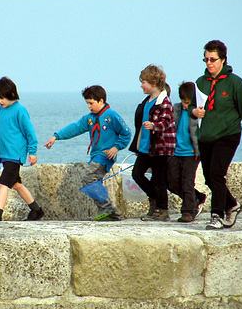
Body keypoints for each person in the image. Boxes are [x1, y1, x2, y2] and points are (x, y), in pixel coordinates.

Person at [188, 40, 242, 230]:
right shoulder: (200, 82)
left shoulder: (234, 83)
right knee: (208, 176)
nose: (209, 63)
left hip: (228, 135)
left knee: (217, 174)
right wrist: (195, 112)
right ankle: (232, 205)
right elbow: (191, 107)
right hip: (206, 136)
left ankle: (217, 216)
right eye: (205, 59)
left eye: (213, 59)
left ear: (223, 60)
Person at [44, 85, 132, 221]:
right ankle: (112, 213)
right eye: (87, 104)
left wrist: (116, 147)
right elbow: (76, 128)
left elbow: (126, 133)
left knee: (88, 178)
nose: (89, 107)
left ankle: (108, 209)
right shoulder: (89, 118)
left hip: (105, 155)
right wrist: (57, 136)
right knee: (94, 181)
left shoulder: (111, 116)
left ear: (101, 101)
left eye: (91, 103)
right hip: (95, 155)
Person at [0, 77, 43, 221]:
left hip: (15, 154)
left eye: (2, 98)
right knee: (16, 183)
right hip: (5, 154)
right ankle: (36, 210)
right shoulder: (1, 110)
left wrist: (33, 152)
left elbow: (30, 132)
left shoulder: (20, 110)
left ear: (11, 95)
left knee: (4, 182)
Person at [127, 65, 176, 222]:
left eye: (144, 82)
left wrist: (154, 126)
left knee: (158, 179)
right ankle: (154, 199)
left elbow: (166, 122)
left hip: (160, 149)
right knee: (137, 174)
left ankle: (162, 209)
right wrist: (138, 145)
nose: (141, 85)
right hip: (145, 147)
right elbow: (139, 125)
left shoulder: (164, 102)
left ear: (154, 82)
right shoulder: (146, 102)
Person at [167, 81, 207, 222]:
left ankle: (188, 212)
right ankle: (197, 198)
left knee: (187, 182)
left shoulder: (199, 111)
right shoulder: (175, 109)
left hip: (191, 153)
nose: (186, 105)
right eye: (184, 102)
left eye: (189, 102)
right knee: (171, 182)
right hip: (175, 152)